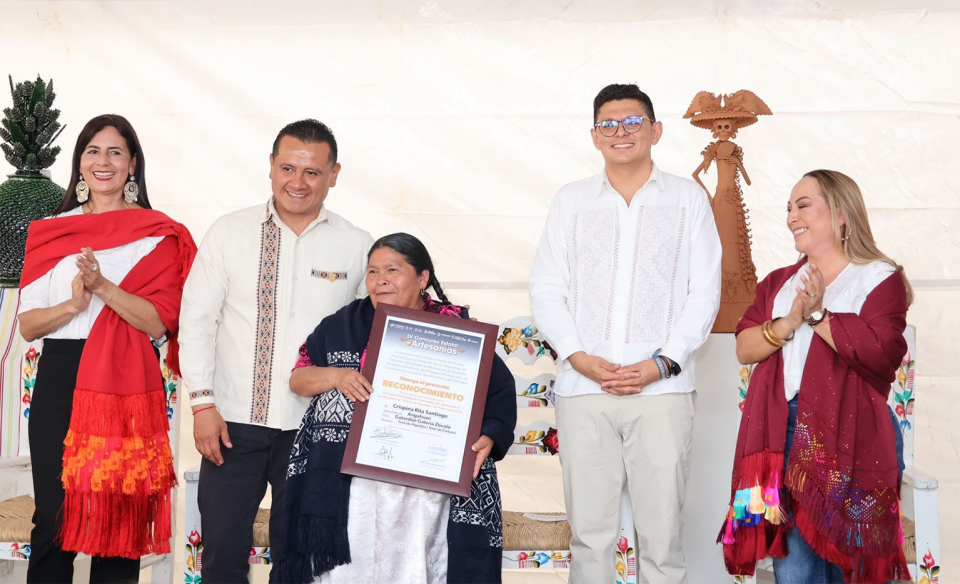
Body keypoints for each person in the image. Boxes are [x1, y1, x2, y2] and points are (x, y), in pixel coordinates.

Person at [529, 84, 722, 583]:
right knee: (589, 537)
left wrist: (662, 363)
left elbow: (705, 292)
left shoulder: (687, 199)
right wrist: (577, 357)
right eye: (608, 124)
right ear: (594, 136)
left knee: (663, 536)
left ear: (655, 131)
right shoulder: (571, 202)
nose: (621, 132)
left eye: (633, 121)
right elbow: (547, 288)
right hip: (583, 388)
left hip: (662, 391)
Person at [178, 118, 372, 582]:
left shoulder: (356, 246)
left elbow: (374, 333)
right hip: (230, 425)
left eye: (312, 172)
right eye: (288, 168)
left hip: (315, 429)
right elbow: (197, 322)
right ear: (270, 166)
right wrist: (202, 404)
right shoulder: (229, 232)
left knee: (300, 561)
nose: (297, 183)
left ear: (334, 174)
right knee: (221, 555)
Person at [277, 233, 517, 584]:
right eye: (373, 272)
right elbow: (299, 378)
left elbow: (499, 393)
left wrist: (490, 438)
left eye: (393, 270)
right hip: (352, 486)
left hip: (428, 486)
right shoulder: (342, 324)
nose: (380, 281)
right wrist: (337, 376)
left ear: (422, 278)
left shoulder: (457, 332)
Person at [17, 114, 196, 583]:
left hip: (124, 383)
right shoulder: (51, 230)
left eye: (115, 152)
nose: (104, 161)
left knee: (118, 524)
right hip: (61, 376)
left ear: (132, 164)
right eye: (93, 151)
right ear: (79, 163)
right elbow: (28, 325)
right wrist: (73, 305)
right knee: (53, 520)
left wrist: (102, 287)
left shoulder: (158, 235)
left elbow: (159, 321)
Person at [719, 170, 911, 583]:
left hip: (855, 436)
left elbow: (883, 356)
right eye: (789, 208)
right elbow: (745, 347)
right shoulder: (779, 283)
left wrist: (820, 315)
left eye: (803, 206)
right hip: (781, 433)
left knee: (852, 566)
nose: (792, 217)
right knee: (796, 570)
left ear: (841, 214)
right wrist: (789, 321)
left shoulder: (878, 278)